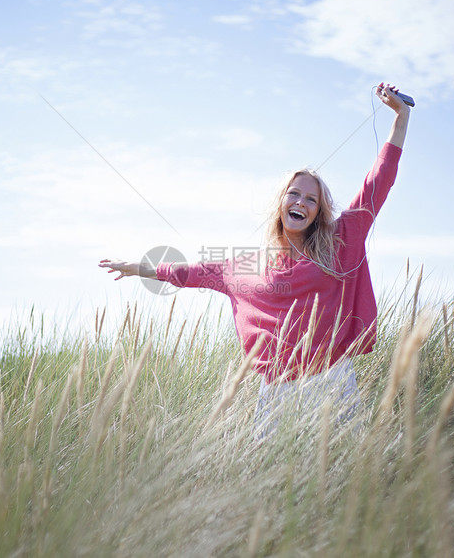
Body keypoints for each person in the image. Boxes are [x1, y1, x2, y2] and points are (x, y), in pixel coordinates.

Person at [99, 83, 410, 436]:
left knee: (341, 477)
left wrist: (401, 118)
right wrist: (139, 267)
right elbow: (192, 273)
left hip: (332, 383)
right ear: (281, 202)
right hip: (276, 392)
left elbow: (378, 180)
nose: (302, 203)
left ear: (319, 210)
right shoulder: (246, 267)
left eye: (311, 199)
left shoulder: (339, 242)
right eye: (294, 194)